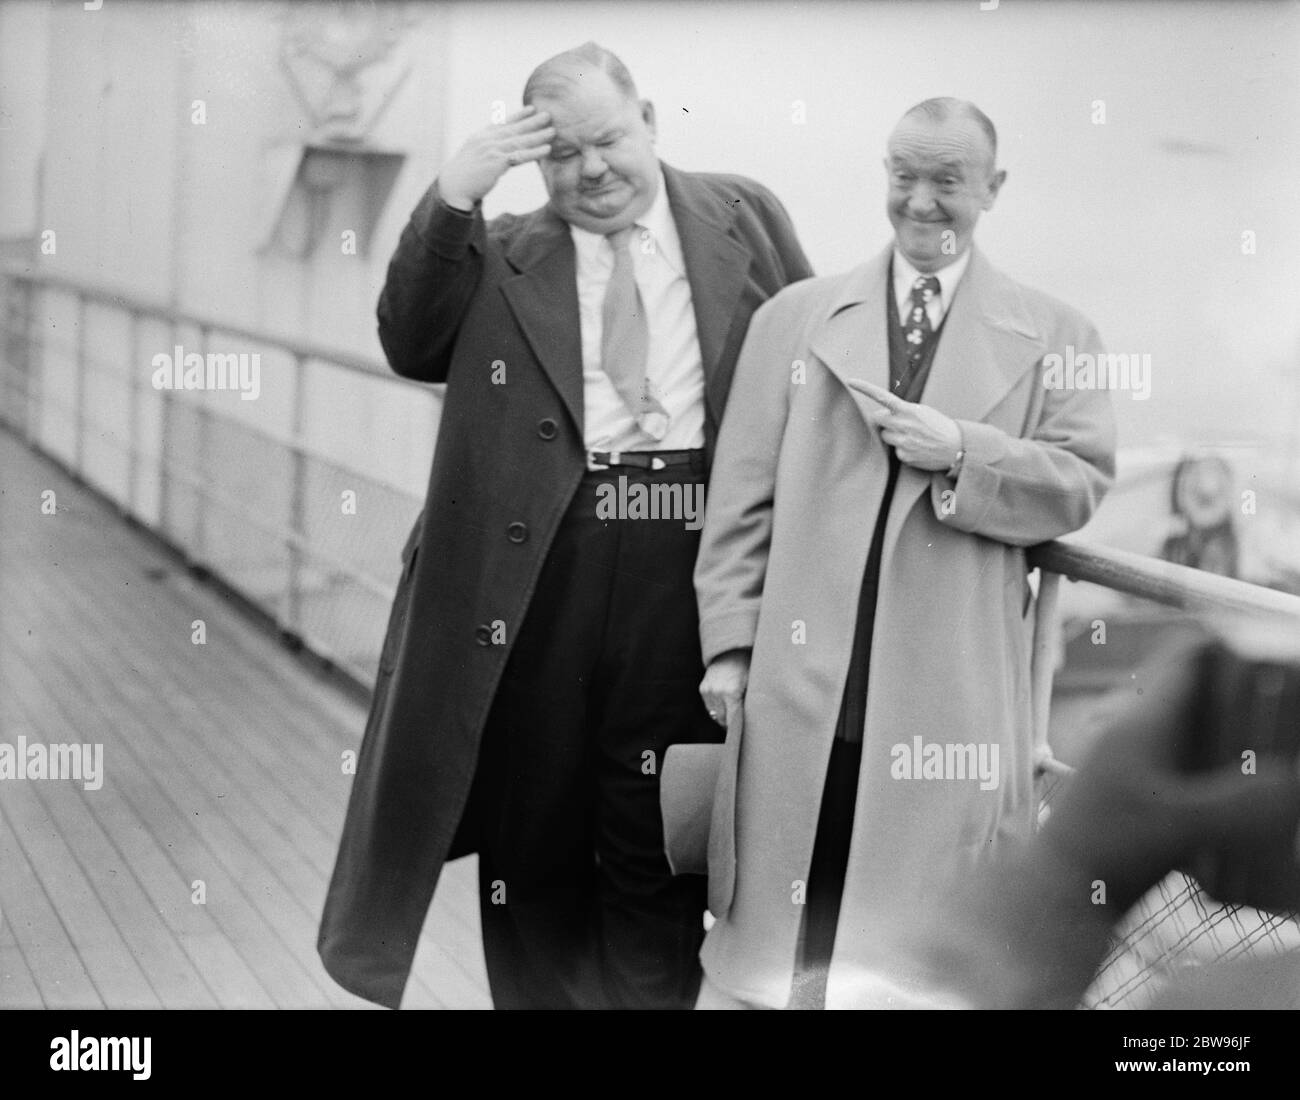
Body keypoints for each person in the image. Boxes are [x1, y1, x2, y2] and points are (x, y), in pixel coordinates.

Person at [318, 41, 812, 1010]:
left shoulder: (742, 218)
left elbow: (816, 358)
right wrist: (451, 196)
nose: (591, 171)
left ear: (650, 120)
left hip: (688, 555)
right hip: (541, 565)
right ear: (534, 166)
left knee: (656, 823)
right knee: (532, 826)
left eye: (608, 141)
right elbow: (410, 340)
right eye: (562, 156)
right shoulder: (501, 251)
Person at [694, 98, 1116, 1009]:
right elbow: (739, 504)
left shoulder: (1061, 335)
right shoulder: (792, 321)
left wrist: (964, 450)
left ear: (993, 190)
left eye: (947, 181)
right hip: (805, 688)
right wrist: (730, 646)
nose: (920, 202)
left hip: (946, 700)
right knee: (783, 928)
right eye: (903, 175)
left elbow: (1080, 482)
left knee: (902, 953)